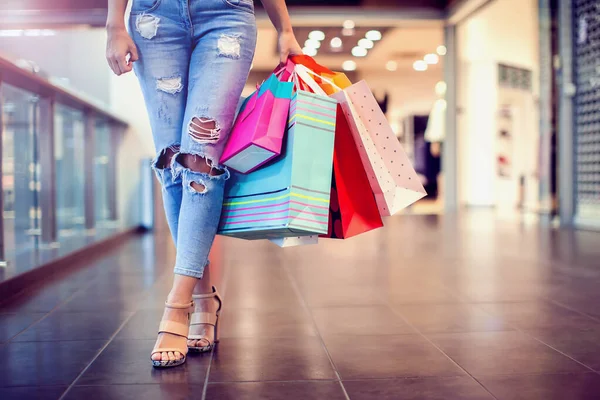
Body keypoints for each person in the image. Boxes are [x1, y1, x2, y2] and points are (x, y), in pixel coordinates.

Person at [105, 0, 302, 368]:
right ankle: (204, 299)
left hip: (225, 15)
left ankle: (178, 304)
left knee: (201, 159)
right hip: (154, 17)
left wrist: (285, 27)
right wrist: (114, 23)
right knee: (172, 160)